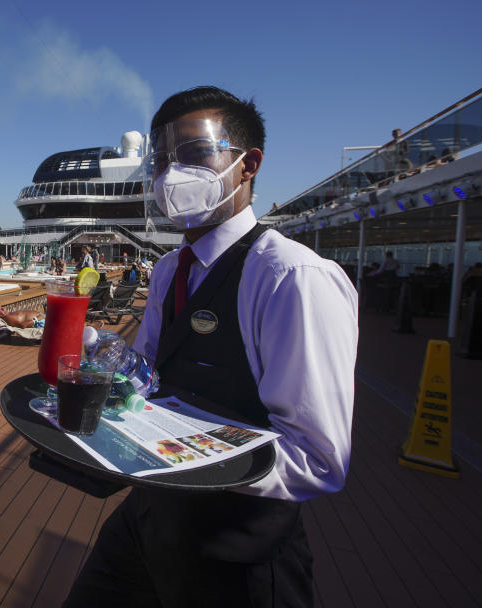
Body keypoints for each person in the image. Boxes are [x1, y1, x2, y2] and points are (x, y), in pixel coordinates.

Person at [64, 86, 358, 607]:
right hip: (149, 516)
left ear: (248, 165)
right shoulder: (168, 271)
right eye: (160, 161)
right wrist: (111, 361)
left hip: (237, 553)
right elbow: (153, 384)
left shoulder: (291, 277)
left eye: (195, 154)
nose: (170, 175)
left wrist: (185, 455)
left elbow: (316, 458)